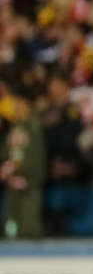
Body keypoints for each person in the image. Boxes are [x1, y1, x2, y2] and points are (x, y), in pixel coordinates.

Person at [2, 96, 45, 239]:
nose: (17, 111)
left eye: (20, 107)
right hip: (13, 181)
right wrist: (8, 171)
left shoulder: (34, 127)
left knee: (28, 223)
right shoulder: (15, 128)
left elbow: (36, 156)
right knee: (12, 220)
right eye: (16, 108)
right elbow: (7, 152)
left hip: (28, 182)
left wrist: (29, 179)